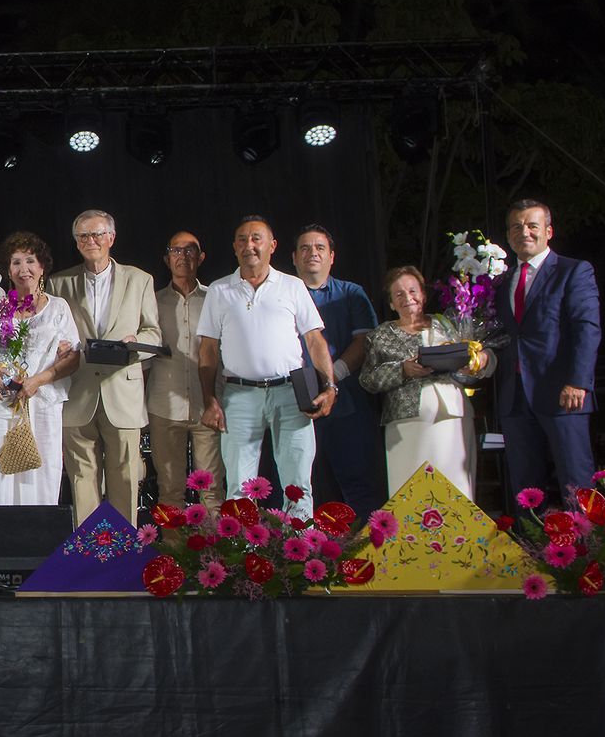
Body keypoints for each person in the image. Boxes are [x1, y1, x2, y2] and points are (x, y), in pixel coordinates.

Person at [196, 216, 336, 517]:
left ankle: (300, 557)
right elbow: (207, 351)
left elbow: (314, 340)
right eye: (243, 240)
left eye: (257, 238)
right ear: (234, 247)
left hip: (290, 393)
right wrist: (209, 400)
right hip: (238, 395)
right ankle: (242, 558)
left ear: (272, 246)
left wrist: (330, 387)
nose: (250, 245)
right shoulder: (219, 291)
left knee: (298, 483)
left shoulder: (293, 286)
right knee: (238, 487)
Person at [47, 209, 162, 525]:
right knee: (81, 480)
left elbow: (154, 332)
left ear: (111, 237)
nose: (91, 241)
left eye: (97, 234)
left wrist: (133, 344)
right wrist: (56, 348)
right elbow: (48, 331)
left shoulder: (140, 280)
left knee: (126, 477)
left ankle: (123, 557)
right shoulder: (58, 283)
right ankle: (90, 556)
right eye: (83, 236)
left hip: (122, 390)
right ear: (76, 242)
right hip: (77, 392)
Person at [492, 199, 601, 505]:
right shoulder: (502, 284)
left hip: (563, 392)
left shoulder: (574, 271)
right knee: (525, 489)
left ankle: (589, 551)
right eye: (515, 226)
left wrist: (578, 380)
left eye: (531, 225)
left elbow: (586, 328)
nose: (523, 232)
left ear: (548, 231)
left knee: (576, 482)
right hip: (515, 398)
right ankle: (532, 550)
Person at [0, 233, 80, 509]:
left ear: (42, 268)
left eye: (30, 260)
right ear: (7, 270)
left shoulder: (58, 308)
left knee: (41, 477)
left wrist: (38, 380)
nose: (23, 268)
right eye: (16, 262)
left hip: (40, 405)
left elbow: (74, 358)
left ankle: (39, 546)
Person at [360, 267, 494, 498]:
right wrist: (402, 369)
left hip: (452, 417)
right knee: (411, 493)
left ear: (423, 295)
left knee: (455, 490)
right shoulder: (380, 335)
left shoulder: (448, 324)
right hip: (406, 423)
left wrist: (479, 361)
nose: (407, 298)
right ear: (391, 303)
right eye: (399, 294)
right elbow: (368, 379)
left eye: (412, 291)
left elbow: (476, 362)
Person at [292, 225, 383, 515]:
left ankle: (367, 552)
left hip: (347, 401)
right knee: (302, 486)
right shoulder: (283, 294)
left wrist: (332, 378)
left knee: (359, 483)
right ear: (294, 258)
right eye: (305, 248)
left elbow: (364, 340)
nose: (312, 253)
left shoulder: (351, 293)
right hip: (294, 402)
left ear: (332, 256)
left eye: (320, 247)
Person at [145, 231, 224, 510]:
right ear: (167, 259)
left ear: (200, 257)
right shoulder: (151, 301)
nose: (183, 256)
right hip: (164, 405)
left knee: (212, 490)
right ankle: (174, 553)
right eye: (176, 251)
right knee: (169, 490)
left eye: (190, 250)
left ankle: (214, 553)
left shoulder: (216, 298)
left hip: (209, 406)